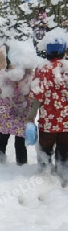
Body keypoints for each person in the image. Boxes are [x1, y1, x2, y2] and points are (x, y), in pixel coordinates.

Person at [26, 30, 68, 186]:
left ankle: (44, 184)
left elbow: (37, 97)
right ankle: (64, 183)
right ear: (64, 50)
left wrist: (30, 118)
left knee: (45, 154)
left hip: (48, 123)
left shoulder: (41, 69)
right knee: (64, 154)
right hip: (66, 123)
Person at [0, 58, 33, 165]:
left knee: (1, 141)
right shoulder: (29, 76)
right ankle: (21, 167)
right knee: (20, 144)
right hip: (22, 115)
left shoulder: (4, 75)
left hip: (6, 115)